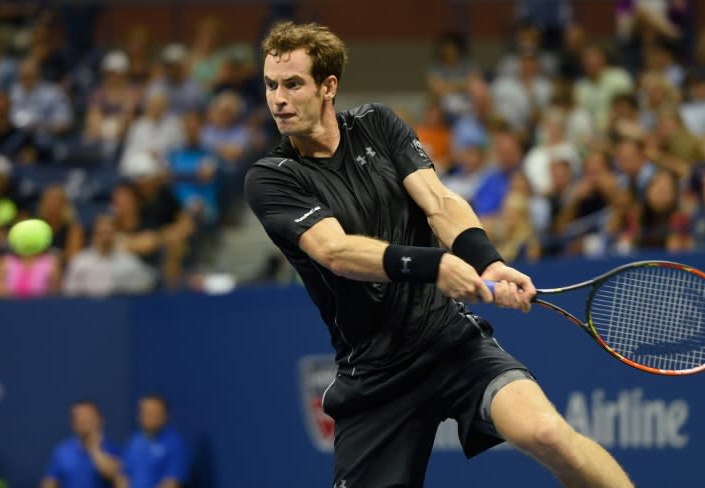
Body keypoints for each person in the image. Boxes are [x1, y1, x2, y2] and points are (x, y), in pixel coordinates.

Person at [245, 22, 633, 487]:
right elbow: (335, 251)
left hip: (449, 341)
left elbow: (439, 202)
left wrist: (486, 260)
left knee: (547, 432)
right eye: (271, 85)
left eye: (292, 84)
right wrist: (435, 266)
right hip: (373, 376)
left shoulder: (377, 124)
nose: (278, 99)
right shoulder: (271, 178)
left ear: (328, 87)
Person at [63, 213, 155, 297]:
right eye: (102, 232)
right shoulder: (80, 262)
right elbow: (70, 292)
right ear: (95, 234)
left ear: (115, 234)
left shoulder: (128, 261)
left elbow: (147, 284)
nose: (105, 238)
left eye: (108, 232)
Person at [40, 400, 121, 488]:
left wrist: (94, 448)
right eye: (79, 418)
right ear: (72, 423)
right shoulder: (62, 451)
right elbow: (49, 482)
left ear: (100, 420)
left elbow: (113, 474)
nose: (83, 422)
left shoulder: (111, 449)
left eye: (88, 418)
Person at [119, 395, 189, 488]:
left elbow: (173, 482)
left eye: (154, 412)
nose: (149, 416)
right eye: (145, 412)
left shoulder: (175, 444)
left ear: (165, 415)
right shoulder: (134, 441)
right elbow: (123, 476)